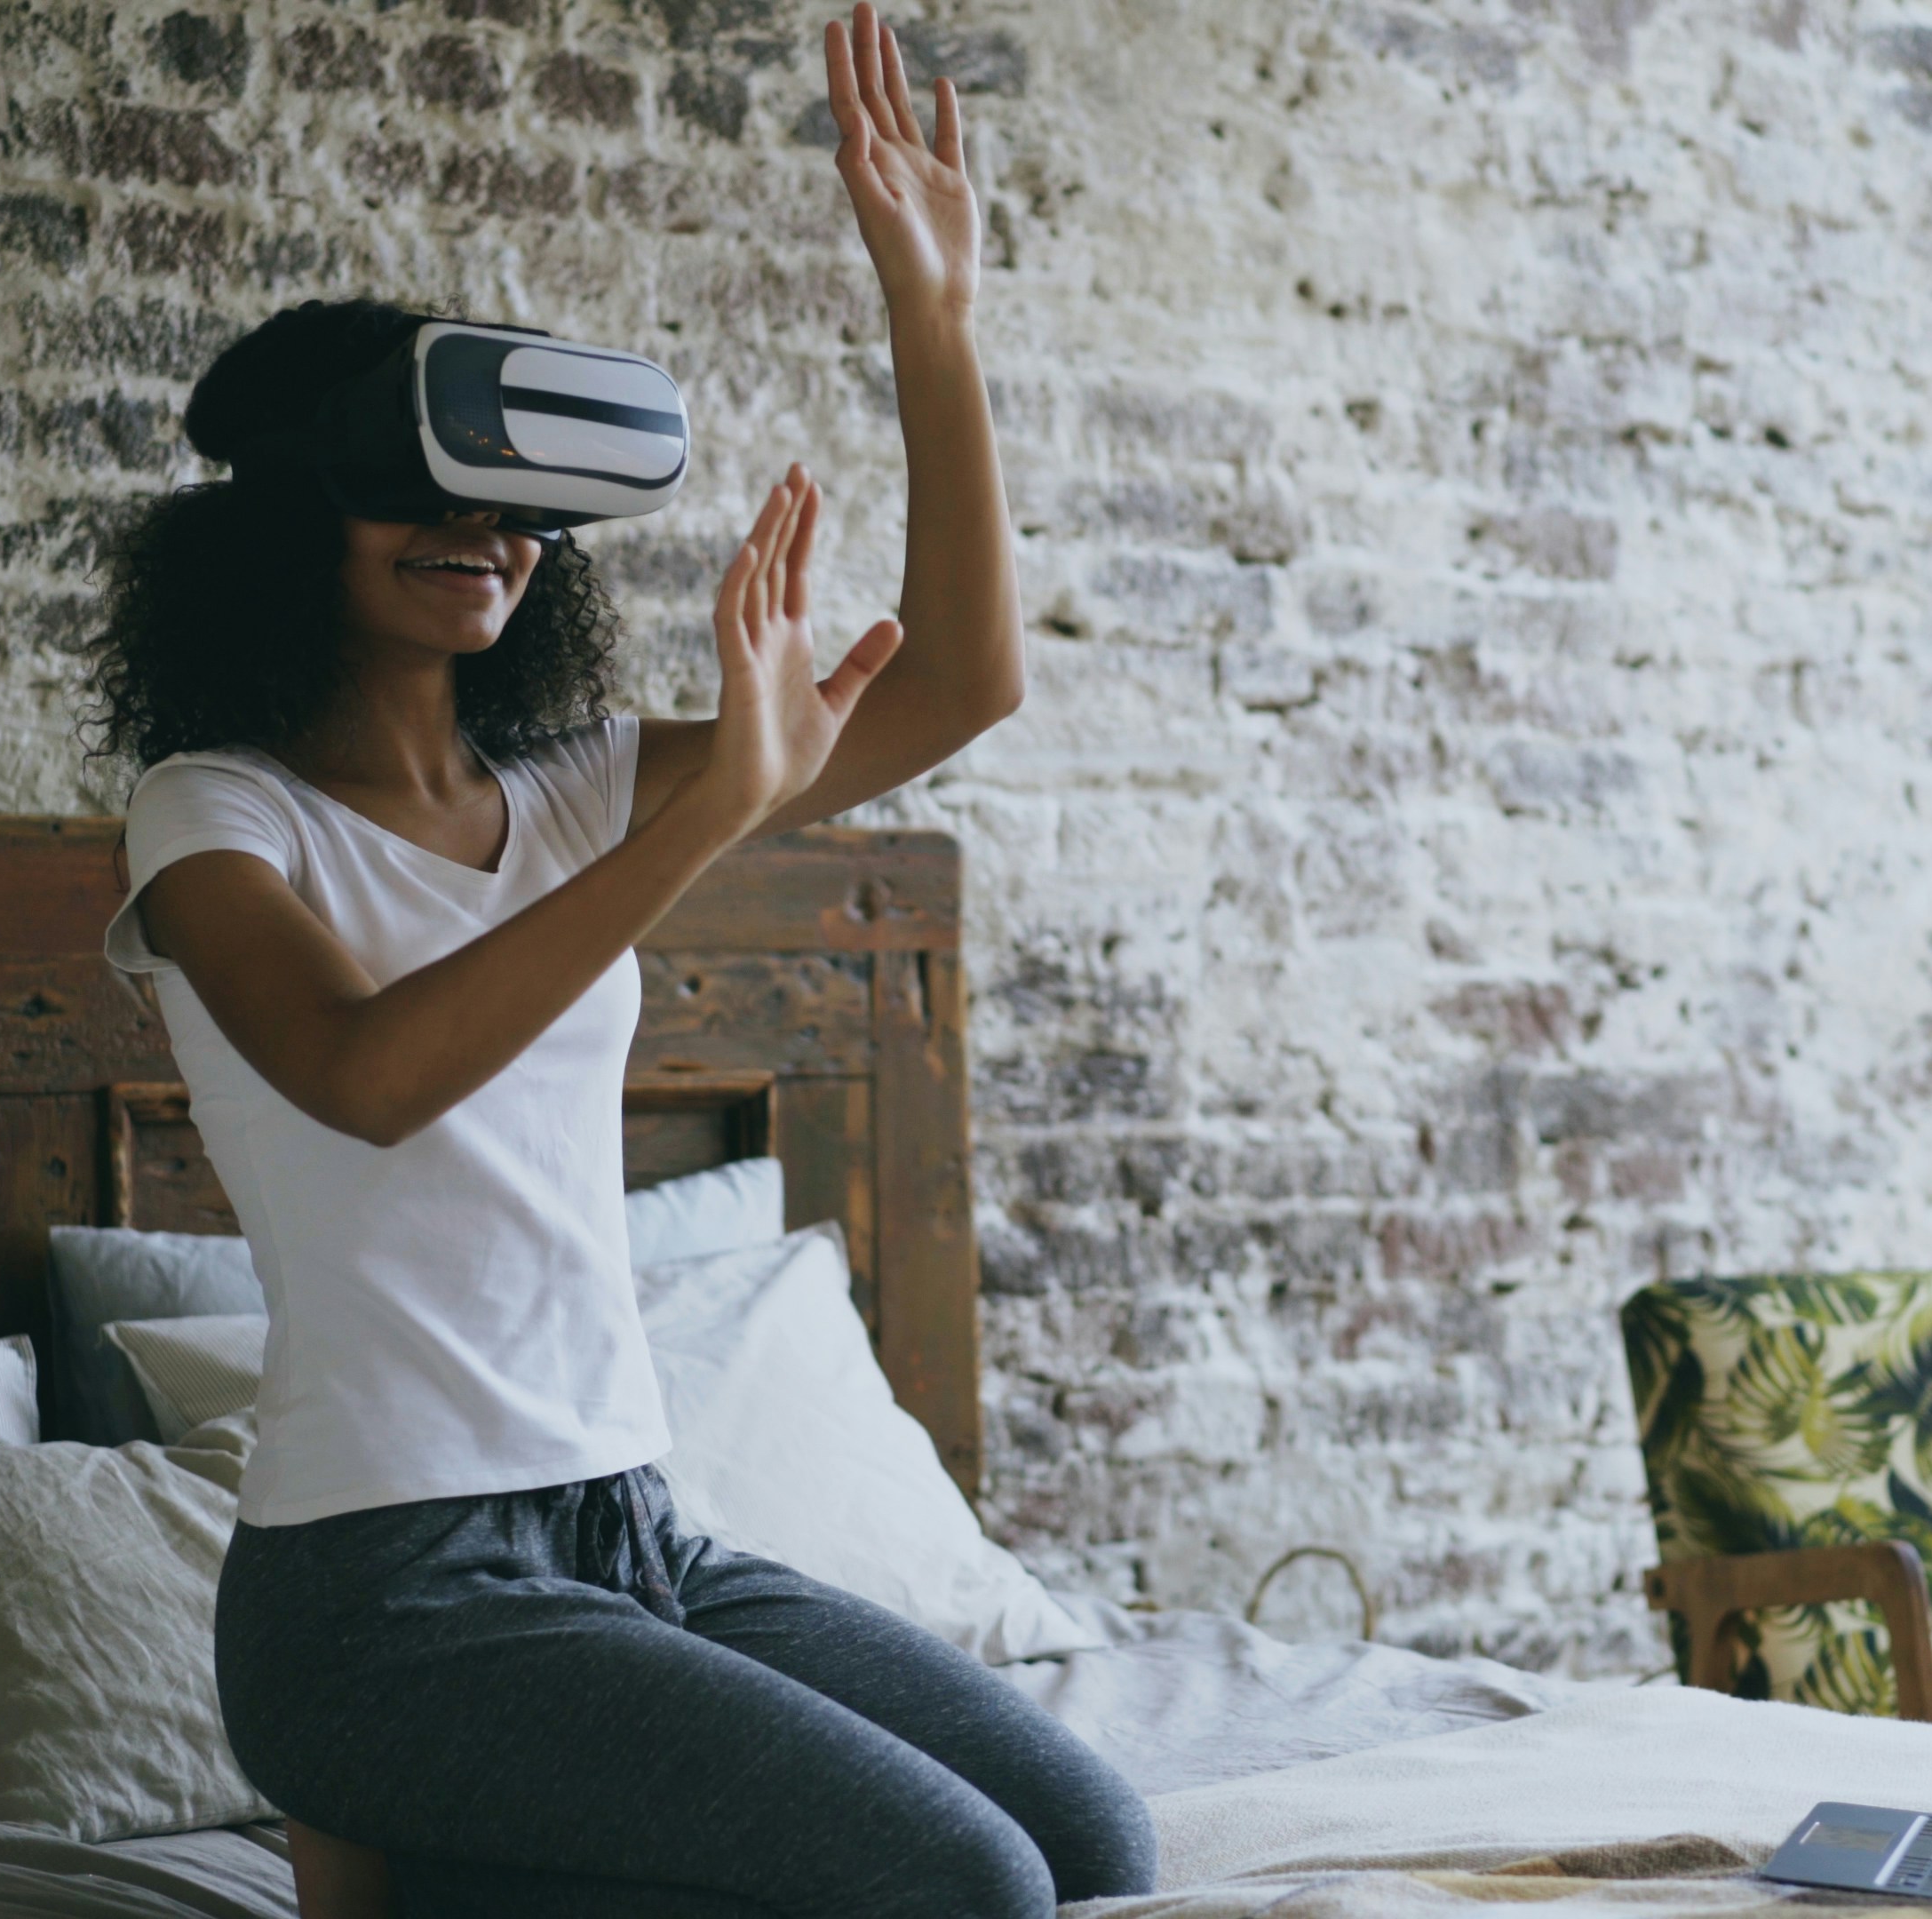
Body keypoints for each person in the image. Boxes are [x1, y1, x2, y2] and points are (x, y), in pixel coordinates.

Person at [77, 11, 1154, 1915]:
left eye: (508, 499)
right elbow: (372, 1078)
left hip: (636, 1532)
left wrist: (936, 319)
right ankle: (392, 1811)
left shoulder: (567, 788)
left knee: (1092, 1841)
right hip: (379, 1586)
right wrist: (714, 812)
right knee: (964, 1891)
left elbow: (967, 681)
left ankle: (420, 1873)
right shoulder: (212, 818)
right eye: (417, 490)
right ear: (288, 522)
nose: (477, 532)